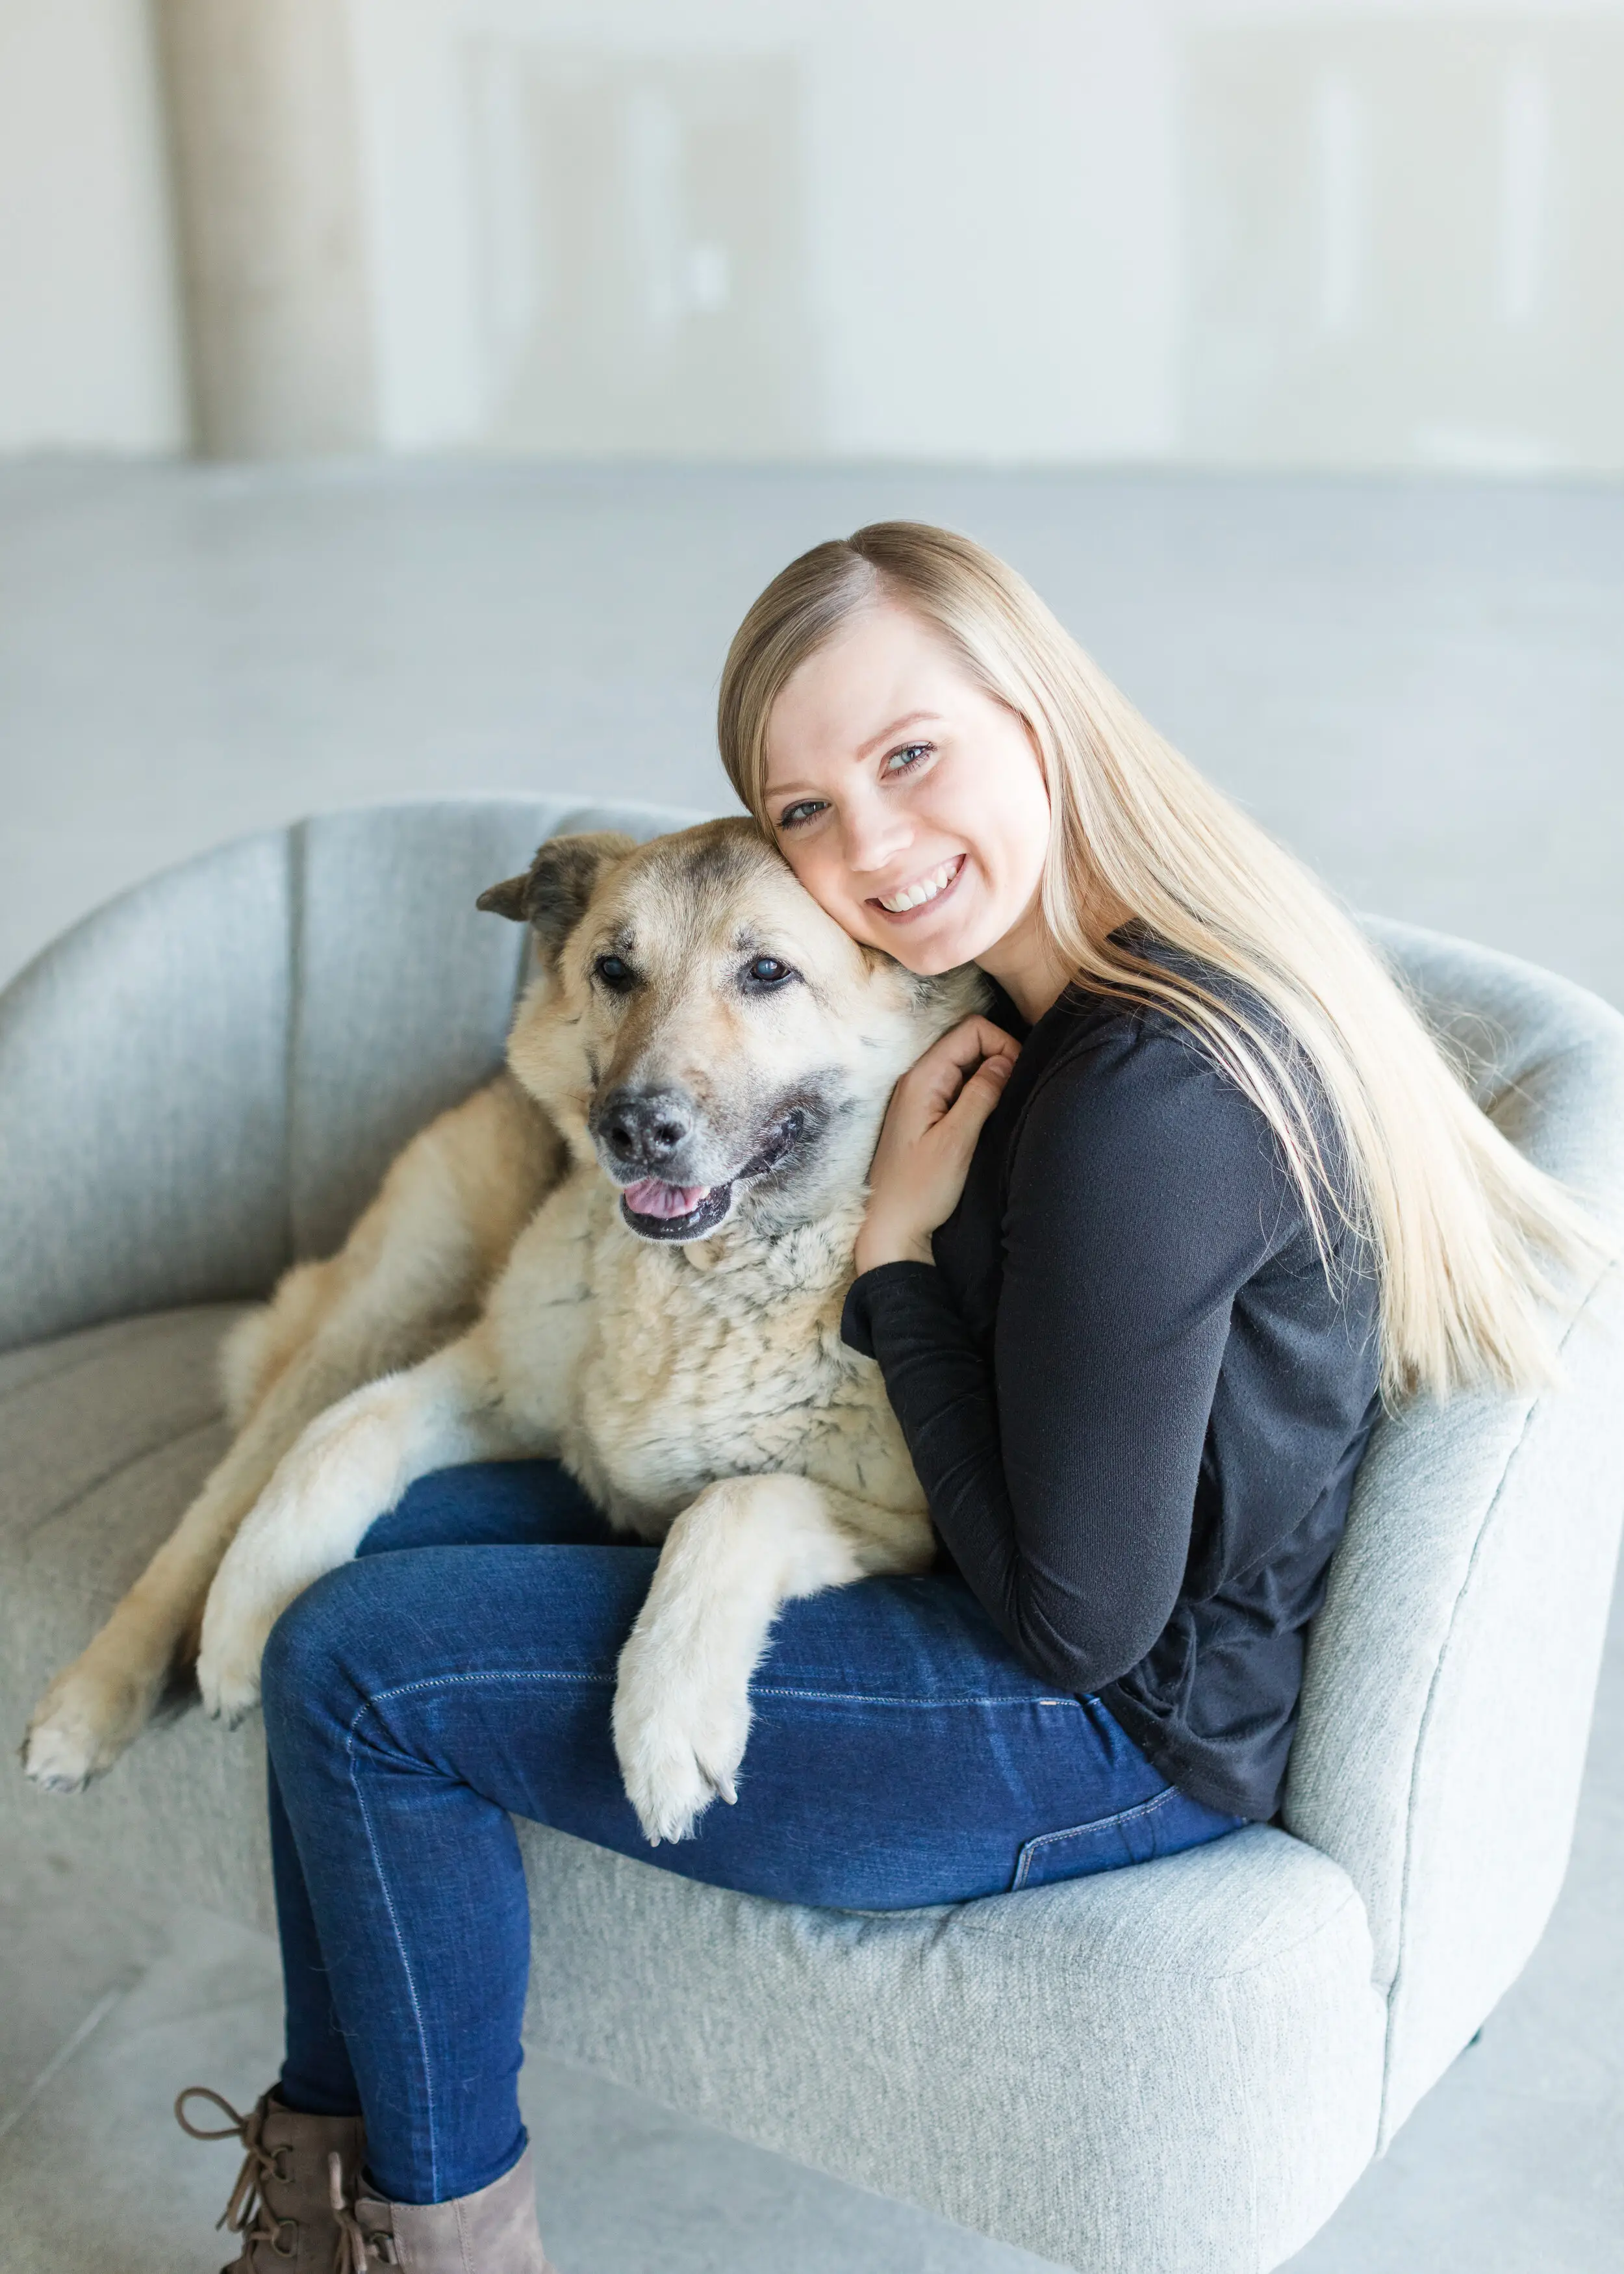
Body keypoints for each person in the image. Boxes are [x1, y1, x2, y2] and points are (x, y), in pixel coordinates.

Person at [181, 524, 1587, 2272]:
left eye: (907, 757)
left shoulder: (1138, 1102)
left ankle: (435, 2243)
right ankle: (330, 2203)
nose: (874, 850)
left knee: (352, 1668)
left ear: (1034, 713)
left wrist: (899, 1266)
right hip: (997, 1583)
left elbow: (1073, 1621)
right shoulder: (1051, 980)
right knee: (359, 1561)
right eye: (806, 809)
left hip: (1097, 1728)